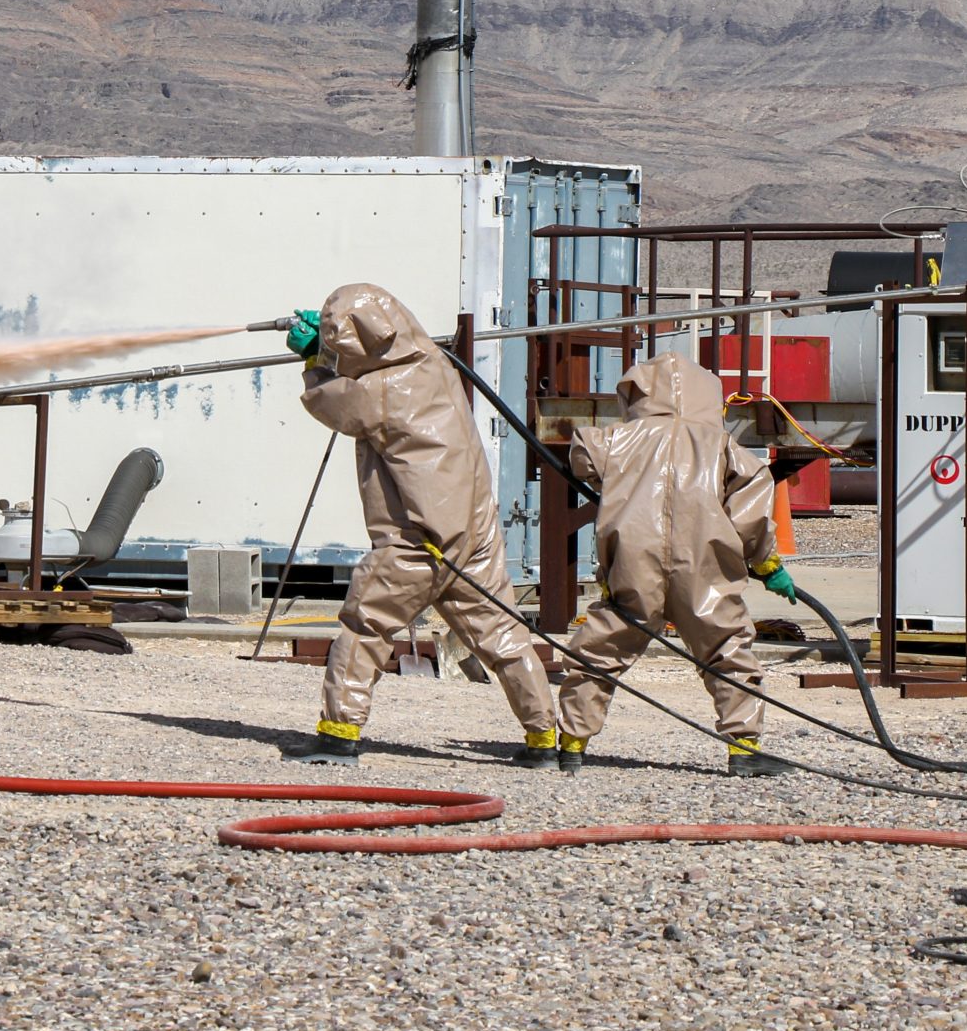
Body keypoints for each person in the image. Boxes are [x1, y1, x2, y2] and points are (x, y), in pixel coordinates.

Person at [282, 284, 563, 764]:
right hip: (472, 540)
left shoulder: (381, 391)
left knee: (364, 628)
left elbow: (330, 403)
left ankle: (337, 737)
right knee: (504, 637)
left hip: (418, 543)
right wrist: (333, 346)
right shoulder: (435, 366)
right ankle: (544, 741)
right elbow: (364, 368)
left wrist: (314, 358)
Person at [553, 352, 795, 777]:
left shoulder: (616, 439)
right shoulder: (721, 445)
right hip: (705, 567)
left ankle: (572, 743)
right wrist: (768, 564)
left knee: (601, 649)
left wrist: (617, 480)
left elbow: (583, 454)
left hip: (632, 562)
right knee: (725, 648)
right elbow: (753, 506)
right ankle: (743, 751)